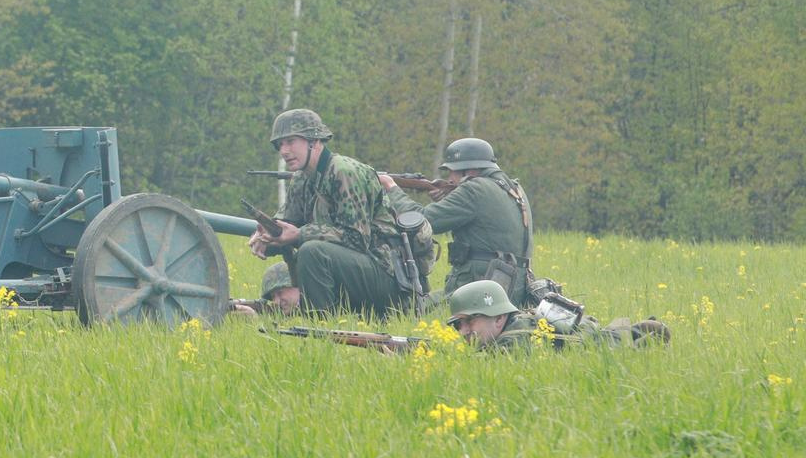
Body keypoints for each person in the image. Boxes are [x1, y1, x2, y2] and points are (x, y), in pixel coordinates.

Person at [250, 108, 419, 316]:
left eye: (291, 141)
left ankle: (320, 328)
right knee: (310, 249)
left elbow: (357, 239)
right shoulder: (301, 179)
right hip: (351, 271)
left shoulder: (344, 172)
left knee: (312, 251)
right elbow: (286, 224)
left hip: (385, 275)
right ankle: (316, 324)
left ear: (314, 140)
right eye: (280, 144)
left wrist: (300, 234)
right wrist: (266, 236)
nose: (284, 151)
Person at [379, 138, 532, 305]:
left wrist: (391, 188)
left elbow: (422, 221)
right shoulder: (515, 188)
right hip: (510, 287)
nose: (450, 179)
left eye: (452, 171)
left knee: (406, 308)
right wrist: (448, 199)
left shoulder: (474, 189)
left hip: (479, 287)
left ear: (470, 171)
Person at [441, 278, 671, 351]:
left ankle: (648, 337)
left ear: (499, 317)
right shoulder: (510, 326)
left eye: (470, 321)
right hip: (583, 332)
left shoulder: (516, 338)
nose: (463, 331)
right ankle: (635, 330)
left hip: (593, 346)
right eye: (457, 325)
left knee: (624, 348)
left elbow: (492, 366)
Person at [228, 258, 302, 318]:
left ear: (298, 285)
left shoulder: (312, 308)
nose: (276, 301)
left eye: (280, 292)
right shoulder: (282, 315)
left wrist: (256, 322)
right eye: (273, 296)